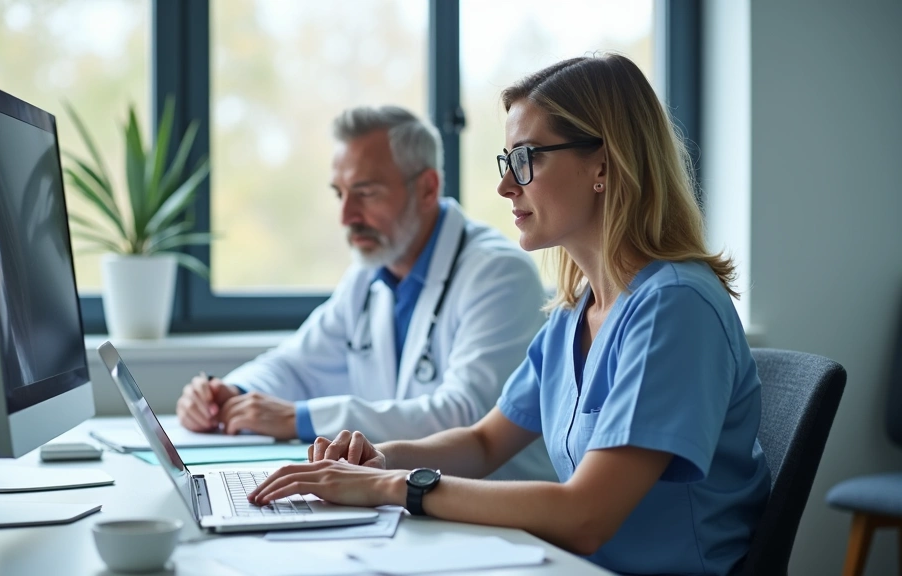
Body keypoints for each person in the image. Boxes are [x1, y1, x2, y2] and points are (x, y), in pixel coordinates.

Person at [247, 54, 771, 576]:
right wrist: (379, 459)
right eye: (507, 162)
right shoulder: (574, 312)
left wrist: (393, 487)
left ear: (603, 166)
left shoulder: (675, 307)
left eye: (526, 159)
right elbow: (482, 442)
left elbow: (586, 515)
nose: (505, 187)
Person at [176, 105, 555, 481]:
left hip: (498, 516)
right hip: (406, 502)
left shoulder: (498, 273)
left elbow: (466, 417)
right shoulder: (369, 274)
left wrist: (298, 418)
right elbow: (295, 364)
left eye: (365, 192)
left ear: (427, 189)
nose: (346, 216)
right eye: (340, 194)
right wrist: (228, 393)